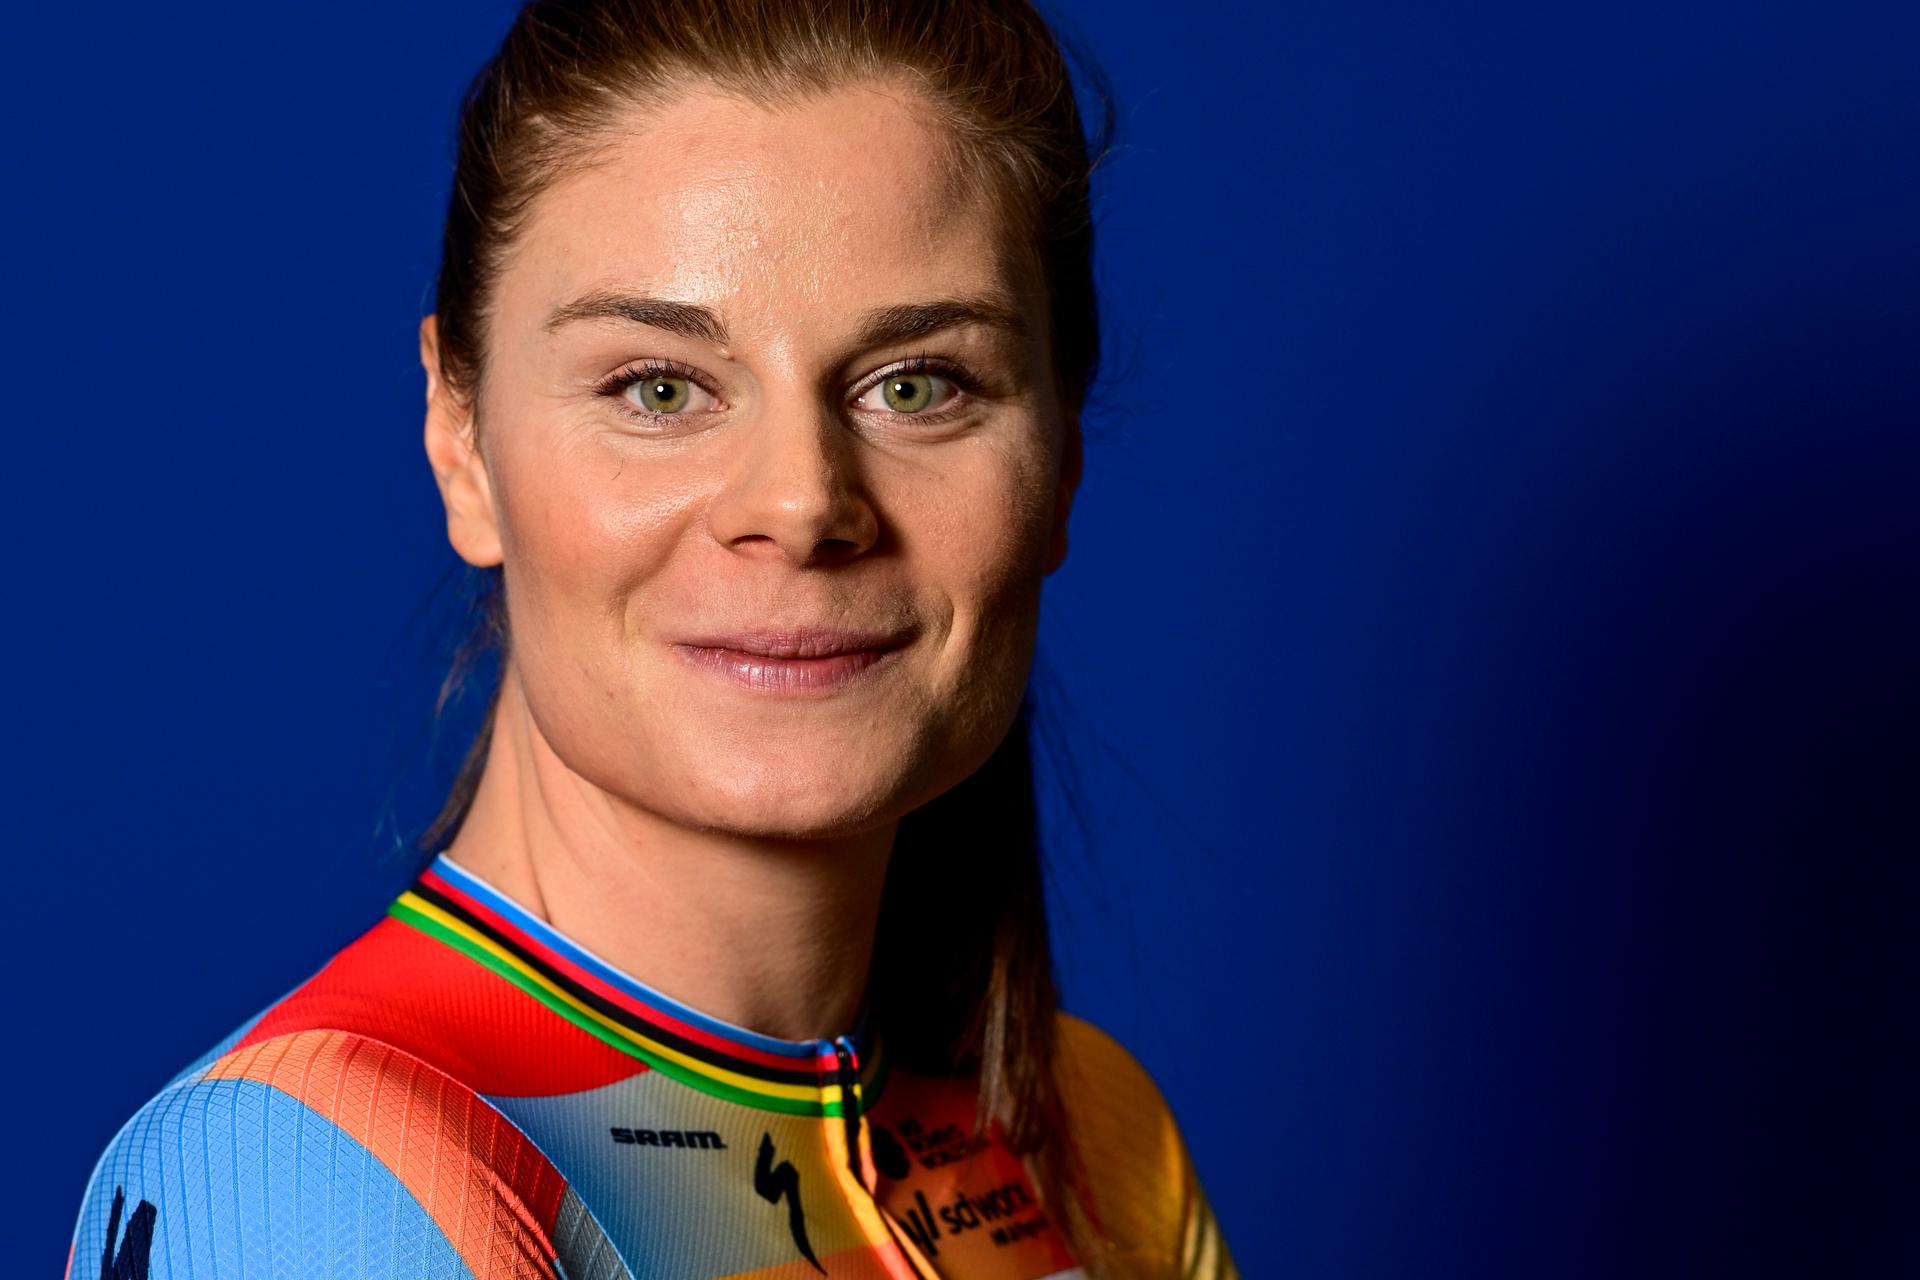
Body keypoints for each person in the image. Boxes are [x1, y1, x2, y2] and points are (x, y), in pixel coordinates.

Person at [64, 2, 1236, 1276]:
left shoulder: (1089, 1130)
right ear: (461, 439)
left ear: (1062, 452)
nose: (799, 502)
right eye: (658, 388)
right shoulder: (305, 1175)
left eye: (917, 384)